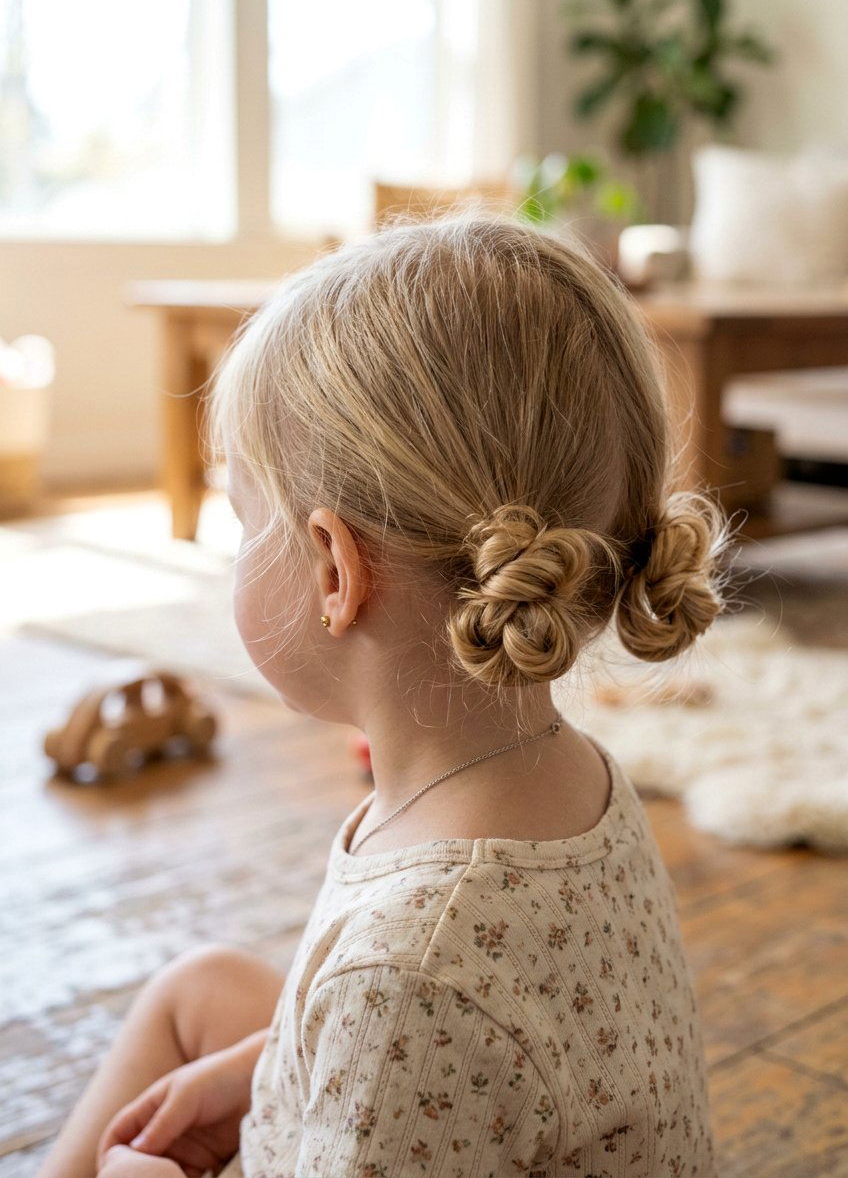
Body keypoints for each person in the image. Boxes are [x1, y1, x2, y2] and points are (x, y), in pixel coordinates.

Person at [40, 212, 725, 1177]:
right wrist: (275, 1066)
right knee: (201, 990)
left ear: (334, 570)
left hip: (414, 1039)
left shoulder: (408, 976)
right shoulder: (565, 778)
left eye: (243, 518)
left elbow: (417, 1015)